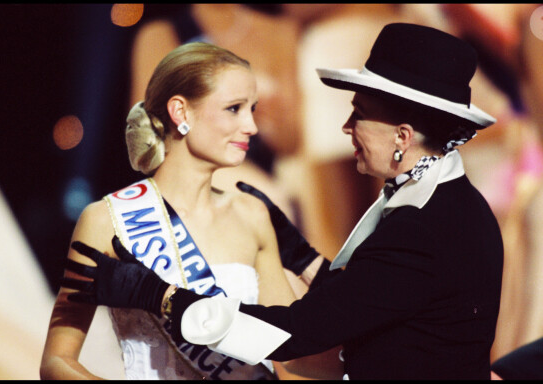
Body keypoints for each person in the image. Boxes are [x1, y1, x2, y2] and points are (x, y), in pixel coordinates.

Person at [61, 23, 504, 380]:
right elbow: (361, 297)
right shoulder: (448, 204)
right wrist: (302, 256)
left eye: (360, 114)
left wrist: (158, 296)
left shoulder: (419, 226)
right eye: (234, 108)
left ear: (403, 138)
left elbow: (296, 336)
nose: (346, 126)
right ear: (180, 113)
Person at [40, 42, 301, 380]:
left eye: (253, 109)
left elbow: (293, 359)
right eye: (235, 109)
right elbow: (56, 361)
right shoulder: (106, 220)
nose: (251, 126)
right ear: (181, 112)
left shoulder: (253, 214)